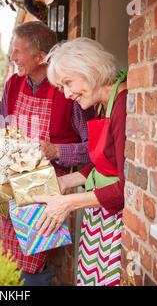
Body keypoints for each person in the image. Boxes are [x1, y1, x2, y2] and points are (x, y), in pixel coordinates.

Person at [0, 21, 93, 286]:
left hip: (52, 189)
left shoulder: (69, 92)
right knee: (10, 263)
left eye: (18, 51)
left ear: (41, 57)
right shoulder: (13, 84)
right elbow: (1, 131)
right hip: (13, 185)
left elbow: (93, 149)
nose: (13, 57)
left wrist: (57, 150)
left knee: (35, 262)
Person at [33, 37, 128, 286]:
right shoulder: (102, 104)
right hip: (100, 217)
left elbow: (125, 189)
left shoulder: (123, 105)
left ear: (90, 70)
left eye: (67, 83)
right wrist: (66, 181)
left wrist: (68, 203)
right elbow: (104, 163)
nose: (66, 94)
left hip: (116, 223)